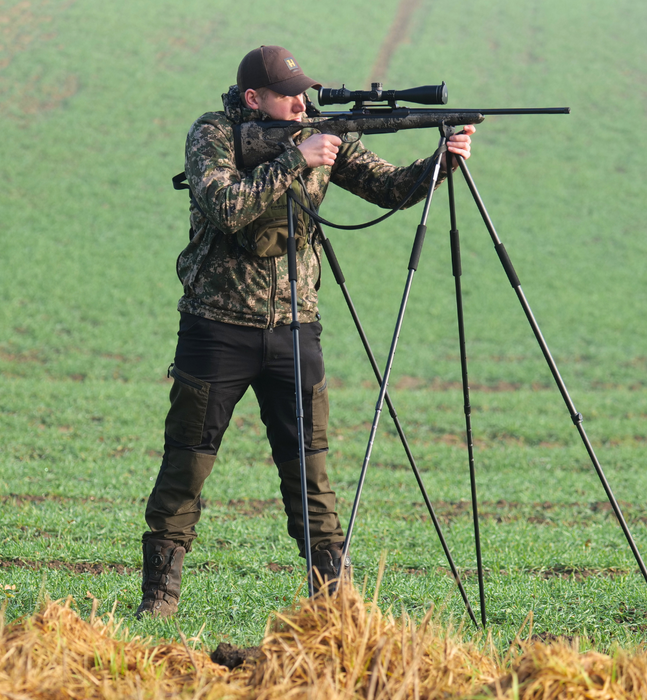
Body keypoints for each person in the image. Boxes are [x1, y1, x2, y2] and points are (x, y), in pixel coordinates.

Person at [137, 45, 475, 618]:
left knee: (311, 475)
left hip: (296, 327)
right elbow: (223, 206)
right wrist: (297, 159)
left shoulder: (317, 131)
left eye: (304, 93)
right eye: (289, 95)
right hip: (216, 329)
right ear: (253, 99)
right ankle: (159, 602)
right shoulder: (213, 134)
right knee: (186, 467)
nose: (301, 103)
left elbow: (388, 188)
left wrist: (439, 163)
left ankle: (334, 604)